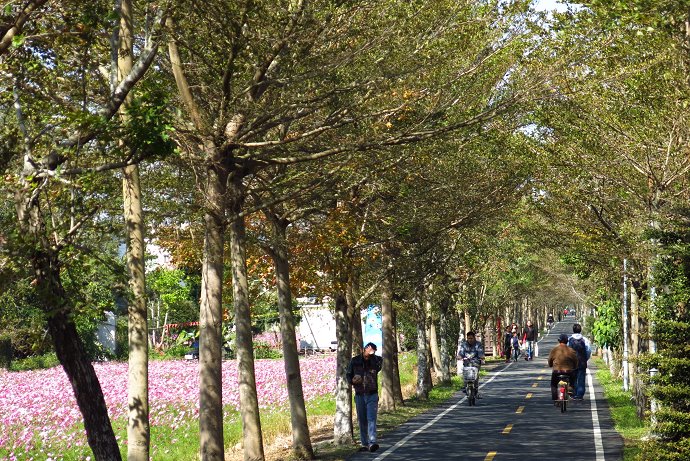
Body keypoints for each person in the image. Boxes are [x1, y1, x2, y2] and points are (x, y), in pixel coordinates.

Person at [347, 342, 383, 452]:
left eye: (372, 351)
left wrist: (372, 356)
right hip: (359, 394)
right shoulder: (355, 361)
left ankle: (372, 442)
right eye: (369, 349)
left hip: (372, 394)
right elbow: (348, 374)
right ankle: (364, 443)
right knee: (362, 420)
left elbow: (379, 364)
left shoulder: (376, 360)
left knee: (371, 419)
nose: (370, 352)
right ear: (364, 349)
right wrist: (352, 380)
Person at [548, 333, 578, 400]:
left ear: (559, 341)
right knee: (573, 379)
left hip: (557, 371)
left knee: (553, 384)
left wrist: (550, 365)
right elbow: (575, 361)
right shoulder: (571, 350)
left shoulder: (554, 350)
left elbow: (550, 360)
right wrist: (574, 367)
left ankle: (555, 398)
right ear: (567, 341)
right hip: (569, 371)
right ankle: (570, 388)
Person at [568, 323, 592, 400]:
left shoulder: (569, 339)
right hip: (582, 362)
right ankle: (580, 395)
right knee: (581, 378)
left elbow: (566, 351)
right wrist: (585, 359)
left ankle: (574, 394)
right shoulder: (585, 340)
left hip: (572, 363)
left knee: (573, 378)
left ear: (573, 330)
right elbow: (588, 351)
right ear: (580, 330)